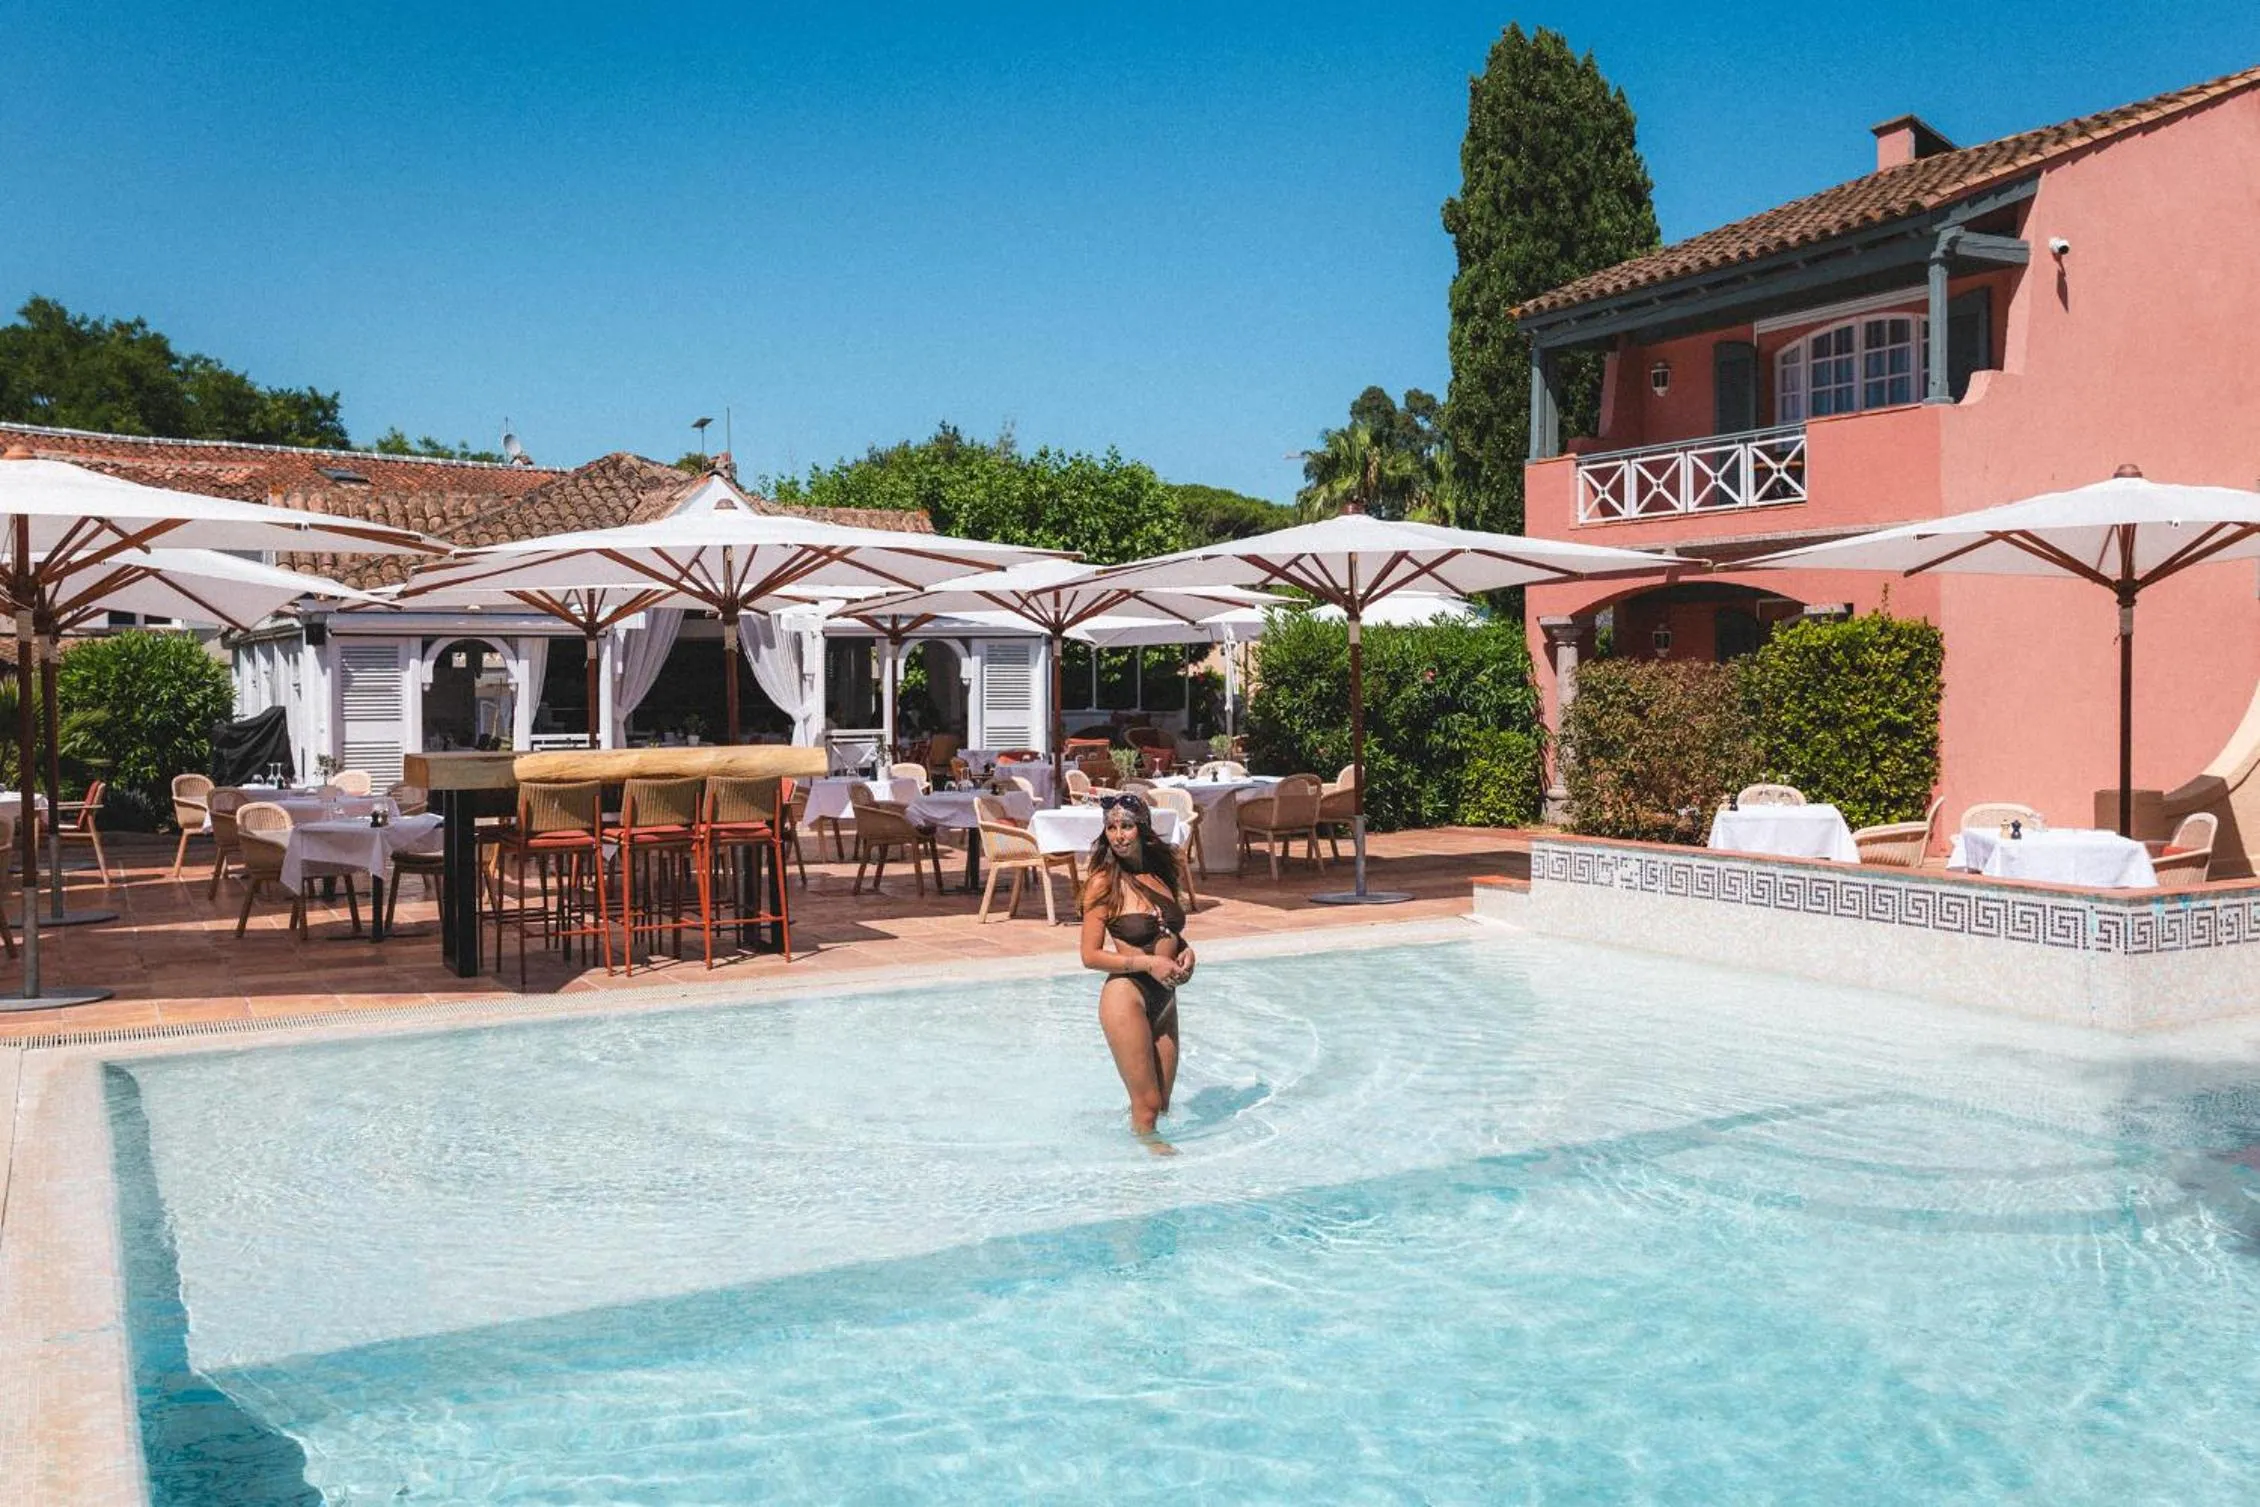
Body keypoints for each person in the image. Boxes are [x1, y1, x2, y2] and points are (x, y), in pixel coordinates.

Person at [1079, 792, 1196, 1152]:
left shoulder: (1163, 873)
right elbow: (1089, 955)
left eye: (1126, 827)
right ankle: (1150, 1183)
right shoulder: (1103, 883)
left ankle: (1140, 1162)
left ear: (1143, 830)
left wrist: (1188, 952)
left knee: (1160, 1105)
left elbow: (1171, 931)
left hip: (1165, 999)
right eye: (1111, 828)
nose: (1118, 836)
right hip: (1127, 996)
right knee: (1145, 1109)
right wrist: (1148, 963)